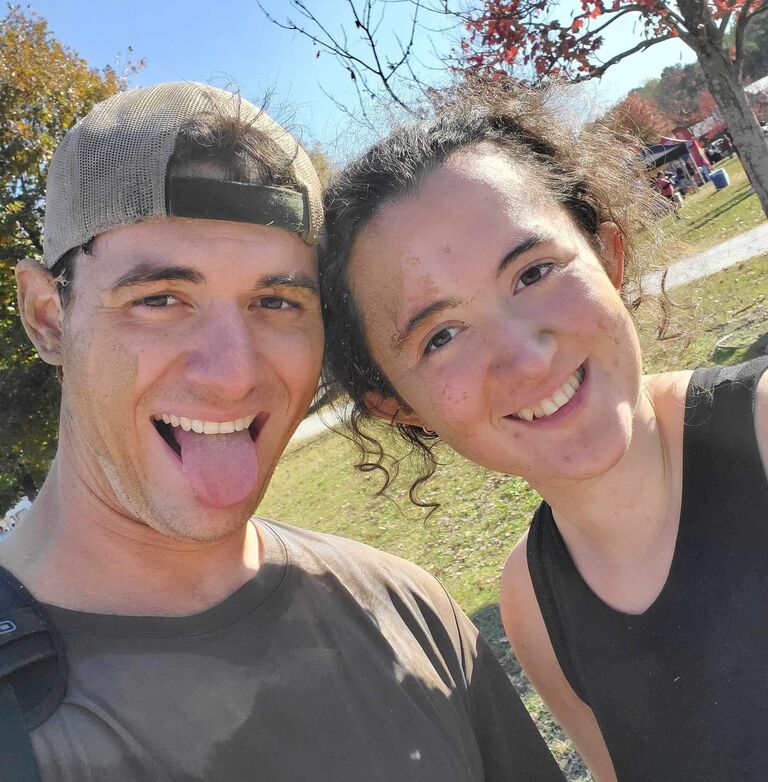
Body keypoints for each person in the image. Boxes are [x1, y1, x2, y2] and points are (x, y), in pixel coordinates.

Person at [0, 82, 564, 781]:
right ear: (48, 317)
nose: (234, 374)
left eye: (276, 301)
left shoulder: (406, 611)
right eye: (160, 299)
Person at [320, 77, 768, 781]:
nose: (526, 357)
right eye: (441, 335)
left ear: (608, 257)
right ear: (397, 405)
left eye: (532, 273)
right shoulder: (534, 607)